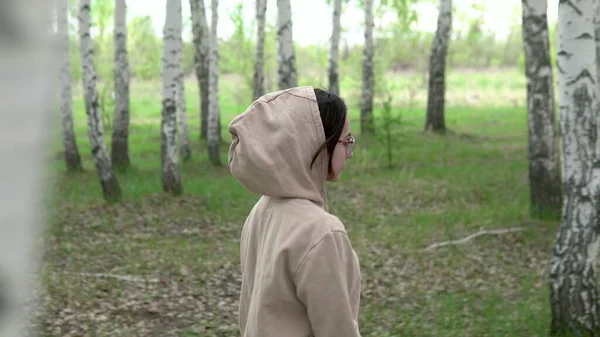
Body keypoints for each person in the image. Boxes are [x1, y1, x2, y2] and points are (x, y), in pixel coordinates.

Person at [228, 86, 362, 337]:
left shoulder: (262, 210)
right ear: (317, 145)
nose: (349, 153)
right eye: (347, 141)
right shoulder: (321, 232)